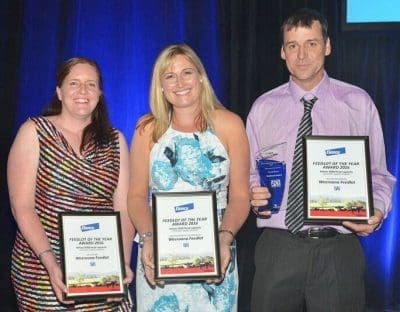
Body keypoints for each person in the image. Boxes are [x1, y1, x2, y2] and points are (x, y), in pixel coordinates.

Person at [247, 8, 396, 312]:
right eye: (293, 45)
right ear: (282, 52)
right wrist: (253, 192)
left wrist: (377, 210)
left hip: (338, 247)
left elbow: (379, 175)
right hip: (278, 245)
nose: (302, 55)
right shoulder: (263, 108)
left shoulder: (358, 104)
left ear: (327, 47)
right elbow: (249, 173)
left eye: (311, 43)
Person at [127, 43, 250, 311]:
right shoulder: (146, 130)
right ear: (160, 85)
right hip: (159, 257)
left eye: (187, 73)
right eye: (169, 76)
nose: (179, 82)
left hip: (216, 251)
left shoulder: (230, 124)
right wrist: (148, 237)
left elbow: (240, 196)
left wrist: (224, 238)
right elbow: (136, 197)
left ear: (201, 77)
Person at [7, 57, 135, 311]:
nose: (83, 91)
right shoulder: (33, 132)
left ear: (100, 93)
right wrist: (51, 263)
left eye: (91, 84)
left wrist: (120, 264)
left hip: (99, 267)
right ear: (59, 91)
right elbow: (22, 207)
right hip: (42, 267)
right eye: (74, 83)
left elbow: (123, 209)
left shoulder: (115, 140)